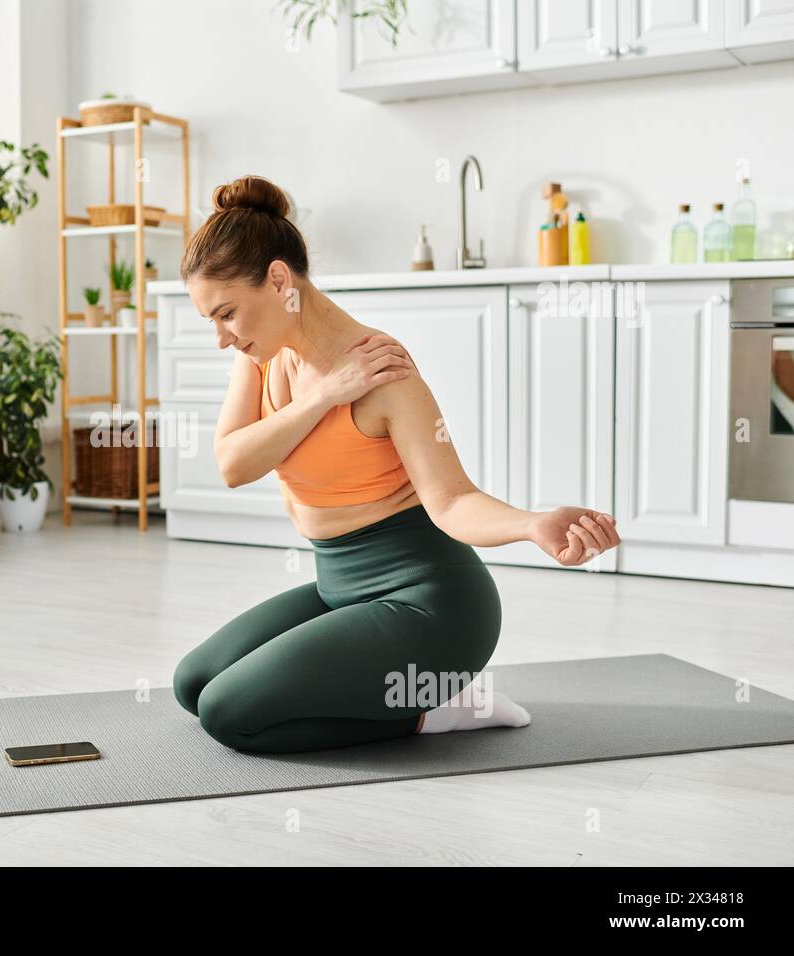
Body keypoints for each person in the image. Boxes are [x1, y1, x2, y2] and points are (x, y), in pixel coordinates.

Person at [172, 175, 620, 754]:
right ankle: (398, 693)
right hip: (342, 591)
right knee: (193, 684)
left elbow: (452, 501)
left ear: (278, 280)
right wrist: (323, 395)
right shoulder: (262, 354)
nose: (221, 337)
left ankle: (438, 711)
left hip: (430, 606)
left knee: (228, 714)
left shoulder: (384, 370)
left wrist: (531, 524)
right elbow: (233, 463)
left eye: (226, 313)